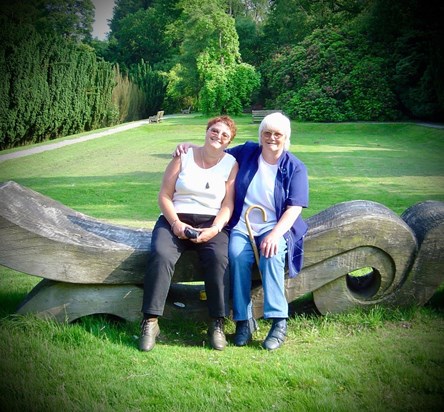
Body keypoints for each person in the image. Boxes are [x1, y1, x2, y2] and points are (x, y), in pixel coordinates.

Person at [175, 112, 308, 350]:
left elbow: (294, 207)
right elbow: (216, 149)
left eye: (278, 134)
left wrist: (275, 234)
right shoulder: (247, 151)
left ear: (286, 138)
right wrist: (190, 147)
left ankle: (279, 321)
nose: (272, 138)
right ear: (260, 135)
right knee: (235, 255)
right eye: (267, 133)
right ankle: (243, 320)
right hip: (243, 224)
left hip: (275, 226)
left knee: (271, 255)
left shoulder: (295, 167)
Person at [140, 116, 238, 352]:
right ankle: (150, 322)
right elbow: (164, 194)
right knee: (161, 254)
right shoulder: (183, 156)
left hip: (211, 223)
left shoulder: (231, 163)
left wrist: (214, 228)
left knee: (219, 259)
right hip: (175, 218)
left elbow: (228, 204)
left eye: (225, 135)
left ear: (229, 141)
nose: (218, 136)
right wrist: (175, 223)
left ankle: (217, 323)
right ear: (206, 131)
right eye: (214, 131)